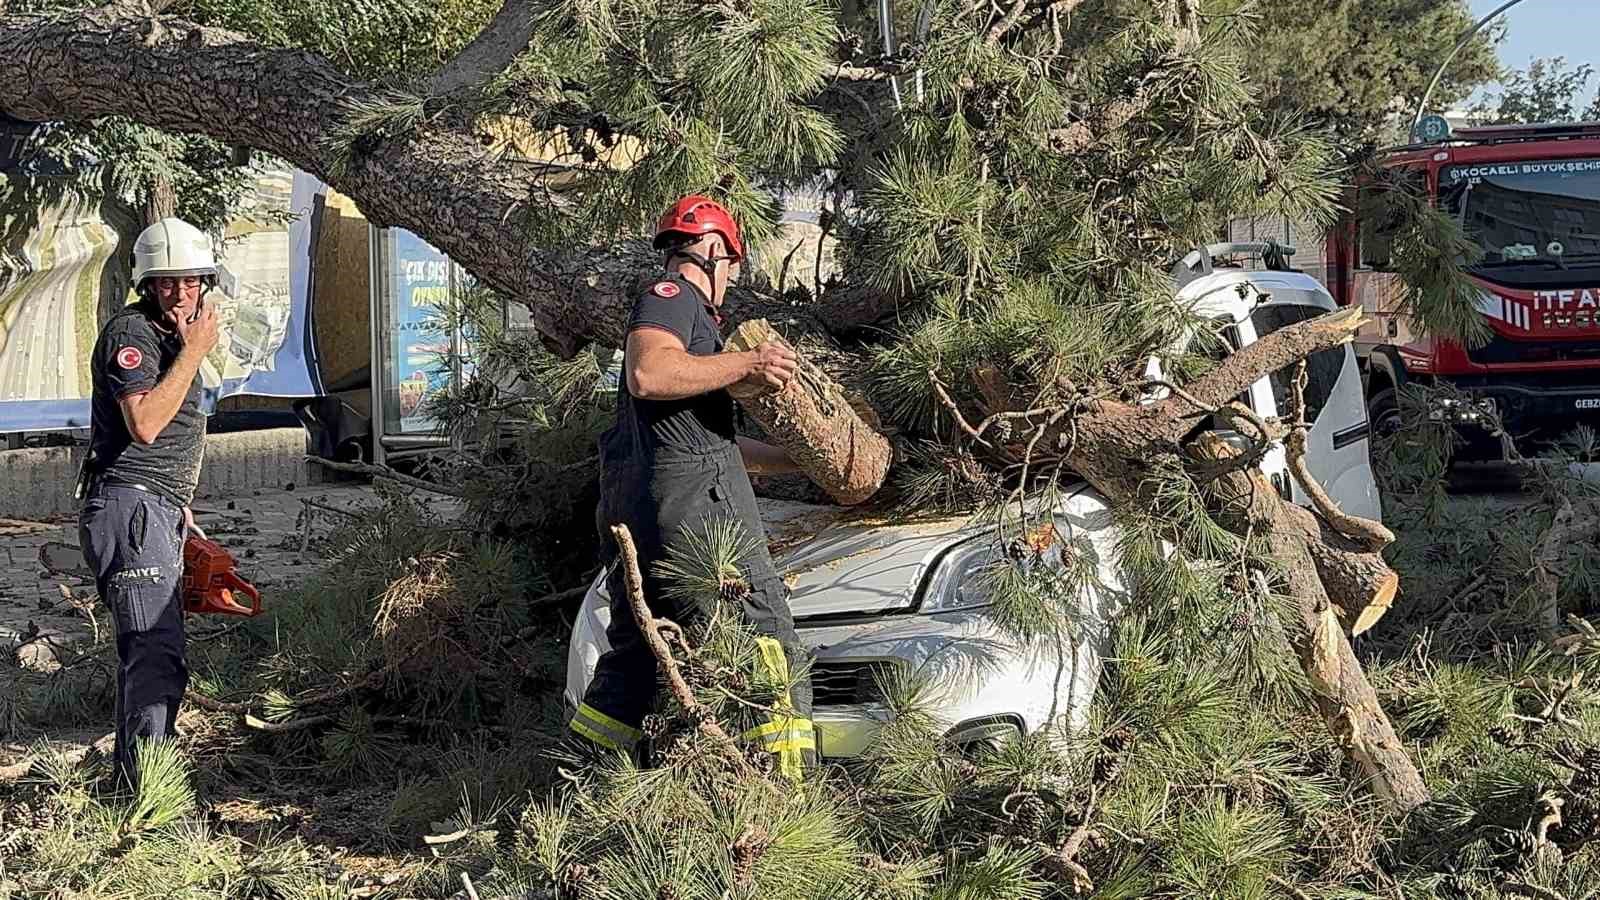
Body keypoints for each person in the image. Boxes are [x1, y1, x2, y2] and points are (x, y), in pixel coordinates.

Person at [570, 195, 818, 777]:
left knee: (639, 653)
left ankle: (585, 782)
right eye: (731, 264)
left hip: (648, 512)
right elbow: (648, 373)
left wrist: (796, 462)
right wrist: (749, 363)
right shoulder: (673, 297)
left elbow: (704, 444)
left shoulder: (690, 335)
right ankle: (789, 794)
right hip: (699, 517)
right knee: (766, 638)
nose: (730, 278)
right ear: (712, 250)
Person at [77, 216, 220, 789]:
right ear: (148, 285)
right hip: (130, 509)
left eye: (191, 281)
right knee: (154, 654)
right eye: (167, 282)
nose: (180, 293)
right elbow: (145, 424)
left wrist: (178, 506)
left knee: (154, 654)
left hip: (153, 508)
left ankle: (134, 786)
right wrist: (194, 351)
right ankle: (148, 797)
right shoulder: (133, 336)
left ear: (206, 282)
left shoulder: (171, 339)